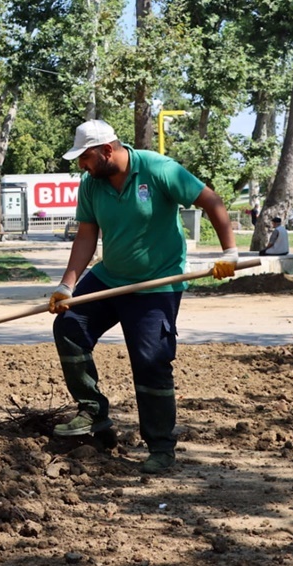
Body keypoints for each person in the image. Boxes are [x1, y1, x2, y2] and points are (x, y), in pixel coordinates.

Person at [48, 120, 238, 474]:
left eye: (85, 158)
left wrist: (229, 252)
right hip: (109, 277)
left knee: (150, 361)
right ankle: (93, 413)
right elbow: (87, 236)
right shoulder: (91, 184)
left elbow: (210, 200)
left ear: (107, 150)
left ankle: (161, 446)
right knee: (70, 326)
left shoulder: (158, 169)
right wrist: (66, 286)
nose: (81, 166)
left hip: (157, 283)